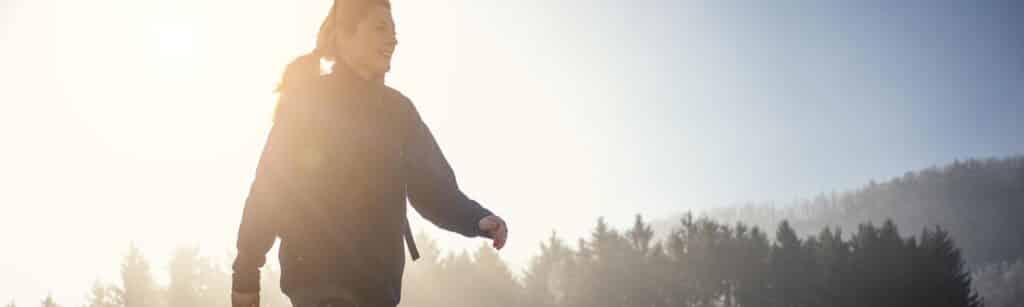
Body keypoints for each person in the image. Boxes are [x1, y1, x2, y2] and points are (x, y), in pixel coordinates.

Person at [230, 0, 508, 306]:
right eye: (380, 28)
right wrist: (246, 271)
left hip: (378, 294)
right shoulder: (307, 103)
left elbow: (434, 188)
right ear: (345, 35)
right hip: (320, 289)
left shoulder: (398, 112)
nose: (392, 39)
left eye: (394, 31)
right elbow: (269, 190)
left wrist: (475, 218)